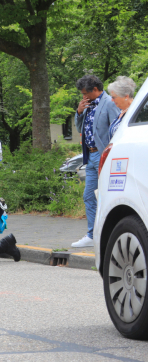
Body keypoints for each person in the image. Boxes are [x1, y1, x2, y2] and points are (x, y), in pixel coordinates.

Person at [71, 74, 120, 248]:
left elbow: (117, 129)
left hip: (103, 154)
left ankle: (108, 233)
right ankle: (92, 235)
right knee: (89, 195)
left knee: (107, 195)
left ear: (96, 90)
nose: (83, 96)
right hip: (90, 156)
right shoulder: (87, 105)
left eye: (85, 93)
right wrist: (79, 112)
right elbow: (79, 129)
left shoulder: (109, 102)